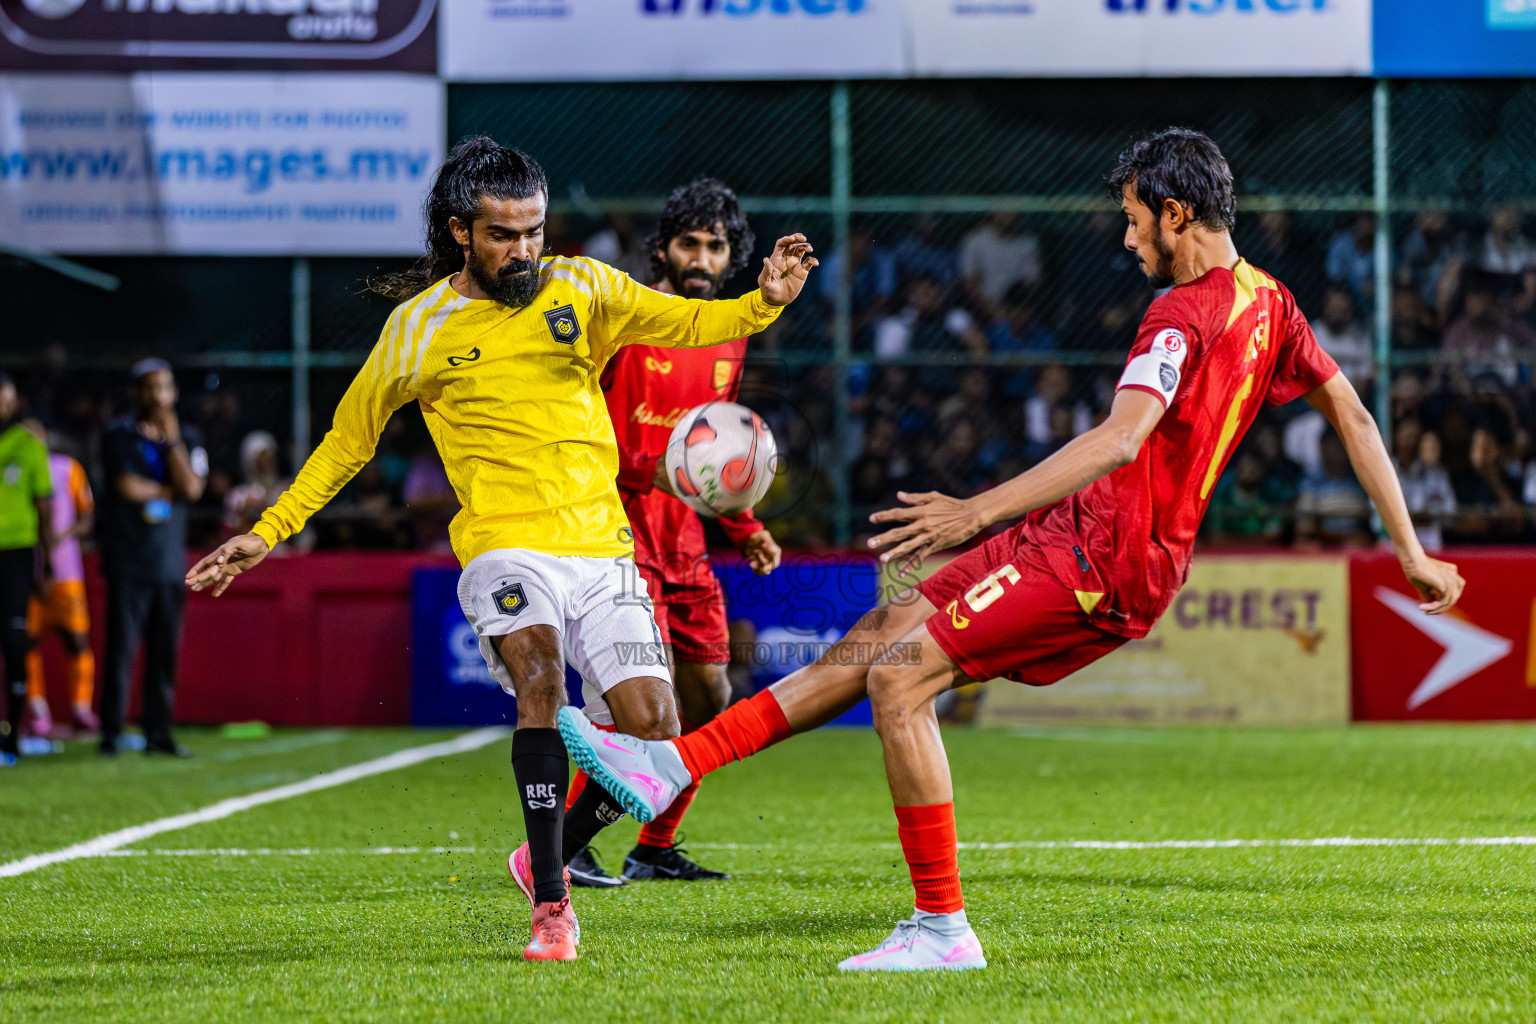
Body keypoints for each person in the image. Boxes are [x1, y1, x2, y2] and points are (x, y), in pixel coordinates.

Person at [557, 128, 1467, 972]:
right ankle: (672, 765)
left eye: (1134, 220)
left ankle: (941, 929)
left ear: (1176, 213)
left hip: (1107, 561)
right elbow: (1352, 412)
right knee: (884, 631)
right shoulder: (1273, 301)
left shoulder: (1179, 316)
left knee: (900, 684)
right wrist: (1412, 551)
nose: (1126, 239)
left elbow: (1119, 439)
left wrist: (973, 515)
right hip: (1074, 530)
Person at [184, 137, 817, 962]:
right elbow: (348, 442)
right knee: (541, 681)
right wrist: (268, 531)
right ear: (460, 231)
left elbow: (693, 321)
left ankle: (542, 852)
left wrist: (763, 302)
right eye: (504, 235)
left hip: (603, 551)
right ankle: (553, 905)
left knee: (658, 732)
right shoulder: (418, 330)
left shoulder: (582, 286)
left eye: (534, 231)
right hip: (505, 549)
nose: (524, 250)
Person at [560, 178, 784, 888]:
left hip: (686, 547)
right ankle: (568, 845)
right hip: (616, 543)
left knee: (710, 700)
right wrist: (648, 469)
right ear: (662, 248)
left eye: (716, 246)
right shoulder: (626, 320)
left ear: (731, 256)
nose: (702, 258)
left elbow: (711, 456)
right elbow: (586, 438)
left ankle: (653, 847)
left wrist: (744, 525)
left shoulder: (730, 336)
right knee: (637, 704)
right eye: (689, 243)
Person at [99, 359, 208, 758]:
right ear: (135, 393)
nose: (158, 395)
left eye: (165, 387)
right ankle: (111, 732)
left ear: (174, 393)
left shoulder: (188, 437)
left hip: (167, 562)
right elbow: (126, 486)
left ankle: (158, 733)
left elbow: (193, 489)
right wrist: (167, 491)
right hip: (128, 558)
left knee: (165, 652)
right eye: (150, 387)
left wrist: (173, 441)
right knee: (121, 651)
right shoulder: (117, 433)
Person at [23, 419, 97, 739]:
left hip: (66, 572)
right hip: (26, 572)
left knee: (76, 640)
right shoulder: (14, 471)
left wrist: (64, 536)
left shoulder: (67, 469)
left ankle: (81, 708)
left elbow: (87, 515)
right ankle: (37, 712)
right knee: (26, 643)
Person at [0, 375, 54, 765]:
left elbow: (45, 507)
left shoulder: (28, 445)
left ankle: (13, 738)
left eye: (5, 399)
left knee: (14, 641)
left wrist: (46, 564)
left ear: (16, 402)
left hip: (16, 554)